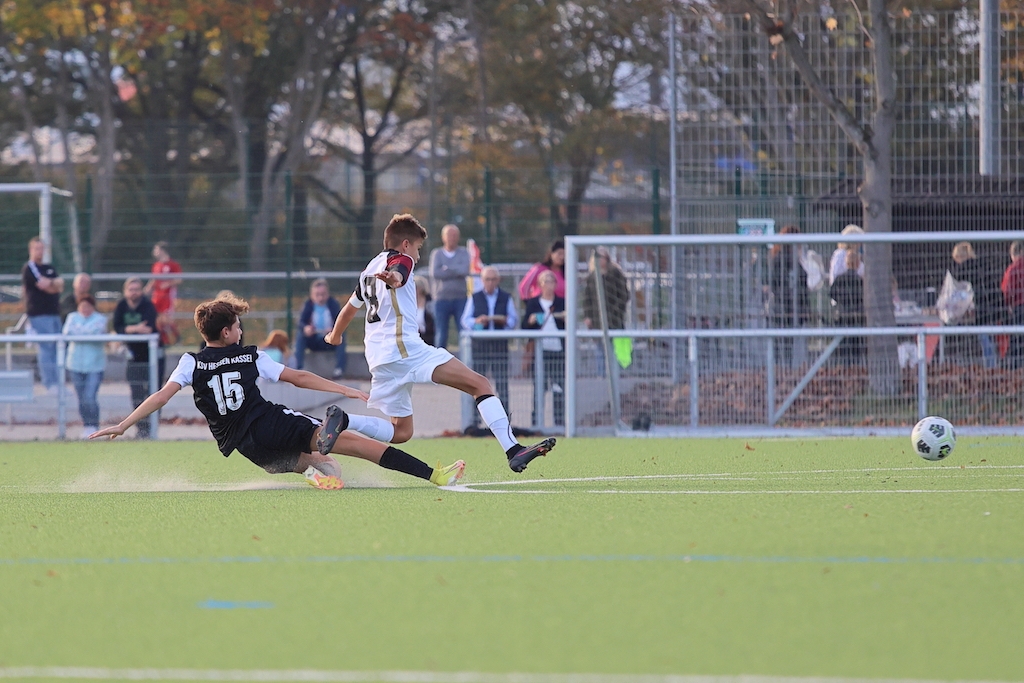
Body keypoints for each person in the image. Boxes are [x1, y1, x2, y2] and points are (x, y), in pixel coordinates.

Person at [90, 295, 466, 489]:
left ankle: (313, 472)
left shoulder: (191, 363)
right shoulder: (250, 356)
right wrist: (342, 389)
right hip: (273, 423)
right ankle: (433, 474)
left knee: (329, 468)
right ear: (226, 332)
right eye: (237, 326)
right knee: (357, 445)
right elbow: (297, 377)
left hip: (248, 448)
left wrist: (124, 424)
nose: (241, 331)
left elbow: (160, 397)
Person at [324, 213, 555, 473]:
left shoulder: (368, 270)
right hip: (405, 349)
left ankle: (344, 420)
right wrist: (396, 279)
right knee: (480, 384)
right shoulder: (401, 259)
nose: (418, 256)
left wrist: (335, 336)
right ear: (406, 244)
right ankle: (513, 450)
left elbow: (348, 309)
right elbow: (400, 271)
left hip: (378, 358)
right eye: (418, 248)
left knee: (401, 432)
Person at [460, 265, 518, 417]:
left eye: (493, 279)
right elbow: (465, 320)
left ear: (498, 280)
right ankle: (475, 419)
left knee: (502, 383)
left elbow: (513, 319)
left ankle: (504, 419)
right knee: (477, 384)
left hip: (499, 345)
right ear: (482, 280)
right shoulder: (475, 297)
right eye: (487, 279)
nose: (490, 282)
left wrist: (504, 322)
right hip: (480, 346)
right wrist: (477, 321)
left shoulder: (506, 297)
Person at [112, 277, 162, 438]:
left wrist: (128, 329)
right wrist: (135, 328)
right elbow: (117, 327)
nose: (134, 293)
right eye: (131, 289)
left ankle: (152, 428)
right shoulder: (121, 306)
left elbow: (148, 328)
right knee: (137, 393)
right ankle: (142, 429)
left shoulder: (148, 305)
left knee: (155, 393)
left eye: (137, 289)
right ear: (125, 291)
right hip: (133, 357)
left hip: (152, 357)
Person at [949, 241, 1005, 368]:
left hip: (982, 308)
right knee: (992, 339)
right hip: (994, 306)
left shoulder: (963, 270)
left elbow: (960, 290)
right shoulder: (982, 265)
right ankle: (996, 366)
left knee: (985, 339)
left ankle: (991, 367)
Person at [521, 270, 566, 427]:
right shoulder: (533, 303)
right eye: (545, 281)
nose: (549, 285)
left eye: (551, 281)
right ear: (540, 285)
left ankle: (560, 423)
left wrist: (564, 317)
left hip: (558, 351)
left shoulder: (562, 302)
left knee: (559, 387)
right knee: (539, 388)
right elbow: (524, 326)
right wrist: (531, 320)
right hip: (540, 352)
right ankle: (537, 424)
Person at [21, 236, 64, 391]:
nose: (40, 251)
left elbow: (60, 285)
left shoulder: (48, 267)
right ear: (31, 250)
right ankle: (49, 383)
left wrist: (53, 284)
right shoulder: (30, 268)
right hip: (39, 314)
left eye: (42, 248)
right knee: (46, 347)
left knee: (58, 347)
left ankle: (59, 382)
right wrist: (53, 284)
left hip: (54, 312)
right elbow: (44, 286)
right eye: (36, 248)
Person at [63, 295, 107, 438]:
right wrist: (86, 331)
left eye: (88, 306)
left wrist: (80, 331)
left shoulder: (100, 319)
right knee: (81, 398)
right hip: (75, 364)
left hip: (94, 364)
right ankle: (87, 425)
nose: (85, 309)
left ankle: (94, 425)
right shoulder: (72, 317)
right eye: (82, 306)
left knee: (90, 397)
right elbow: (67, 333)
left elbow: (96, 333)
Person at [767, 225, 810, 367]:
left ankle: (783, 369)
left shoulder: (782, 258)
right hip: (787, 307)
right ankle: (785, 370)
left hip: (784, 306)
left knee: (782, 344)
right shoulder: (786, 259)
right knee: (786, 345)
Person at [295, 278, 346, 378]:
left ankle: (339, 370)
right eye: (317, 294)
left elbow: (341, 321)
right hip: (314, 339)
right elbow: (300, 322)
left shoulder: (333, 304)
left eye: (323, 294)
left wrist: (334, 330)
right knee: (300, 336)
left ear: (328, 294)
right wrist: (306, 328)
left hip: (330, 340)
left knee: (342, 335)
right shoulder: (308, 305)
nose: (320, 298)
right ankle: (299, 368)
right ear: (312, 295)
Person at [429, 223, 470, 349]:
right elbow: (435, 273)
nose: (452, 238)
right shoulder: (437, 254)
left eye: (454, 235)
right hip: (441, 299)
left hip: (460, 298)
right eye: (449, 235)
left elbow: (465, 270)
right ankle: (440, 360)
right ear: (443, 237)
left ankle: (465, 359)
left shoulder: (464, 253)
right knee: (441, 334)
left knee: (463, 332)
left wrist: (447, 269)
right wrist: (455, 270)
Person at [830, 250, 866, 364]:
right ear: (858, 264)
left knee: (842, 345)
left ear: (846, 263)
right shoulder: (860, 280)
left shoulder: (840, 279)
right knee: (856, 345)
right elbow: (864, 296)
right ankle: (855, 367)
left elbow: (832, 293)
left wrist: (842, 301)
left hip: (842, 314)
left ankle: (843, 366)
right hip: (857, 316)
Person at [145, 241, 183, 346]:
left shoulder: (173, 264)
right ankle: (164, 341)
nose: (154, 252)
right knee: (157, 319)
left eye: (156, 249)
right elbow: (154, 279)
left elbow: (179, 279)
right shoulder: (156, 265)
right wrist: (148, 288)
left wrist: (168, 283)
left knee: (166, 318)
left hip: (167, 296)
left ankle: (177, 337)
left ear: (162, 250)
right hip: (157, 296)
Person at [1001, 240, 1024, 367]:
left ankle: (1016, 369)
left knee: (1017, 341)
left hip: (1019, 308)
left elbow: (1007, 291)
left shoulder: (1012, 269)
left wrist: (1007, 305)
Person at [414, 276, 436, 346]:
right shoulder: (409, 303)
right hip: (414, 336)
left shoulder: (430, 302)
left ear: (421, 288)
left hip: (428, 337)